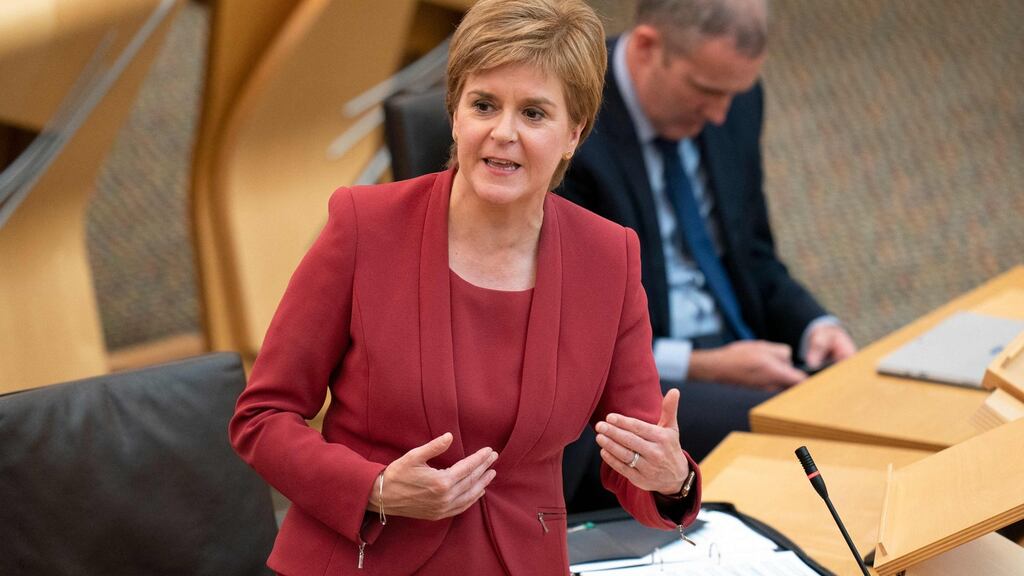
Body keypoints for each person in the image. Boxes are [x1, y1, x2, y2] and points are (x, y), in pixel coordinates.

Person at [229, 1, 701, 574]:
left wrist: (671, 479)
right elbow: (263, 418)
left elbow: (638, 460)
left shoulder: (609, 256)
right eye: (484, 105)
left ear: (573, 132)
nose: (503, 133)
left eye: (533, 113)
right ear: (455, 113)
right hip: (361, 560)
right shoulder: (364, 225)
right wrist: (373, 487)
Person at [560, 0, 857, 510]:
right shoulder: (571, 126)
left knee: (869, 397)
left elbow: (753, 253)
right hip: (641, 374)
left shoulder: (735, 100)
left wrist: (814, 325)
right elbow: (571, 337)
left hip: (745, 346)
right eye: (706, 91)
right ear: (651, 47)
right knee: (804, 437)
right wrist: (703, 365)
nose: (720, 114)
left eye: (732, 94)